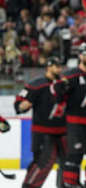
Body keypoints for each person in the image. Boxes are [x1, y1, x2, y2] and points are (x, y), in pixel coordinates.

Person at [51, 43, 86, 188]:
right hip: (75, 124)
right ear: (81, 56)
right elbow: (58, 97)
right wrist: (59, 90)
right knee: (74, 157)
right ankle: (70, 185)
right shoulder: (70, 75)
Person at [14, 56, 66, 188]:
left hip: (63, 131)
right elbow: (20, 103)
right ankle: (29, 186)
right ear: (48, 67)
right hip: (43, 132)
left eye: (60, 66)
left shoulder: (65, 84)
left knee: (68, 163)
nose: (59, 69)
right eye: (56, 66)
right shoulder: (37, 84)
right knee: (42, 163)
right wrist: (22, 105)